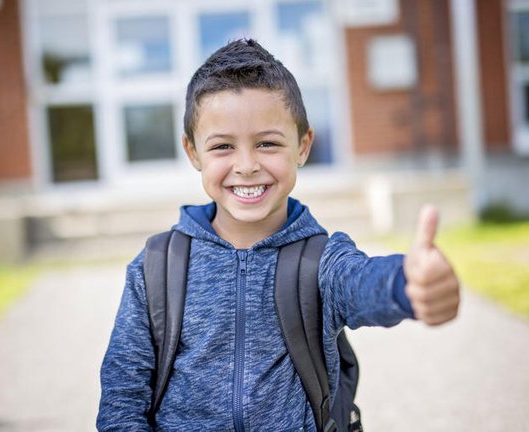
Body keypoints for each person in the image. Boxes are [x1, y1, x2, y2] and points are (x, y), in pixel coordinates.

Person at [97, 38, 460, 431]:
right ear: (193, 152)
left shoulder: (322, 260)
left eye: (267, 143)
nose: (247, 165)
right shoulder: (156, 267)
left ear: (302, 146)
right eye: (222, 147)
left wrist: (408, 283)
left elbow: (364, 282)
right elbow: (122, 397)